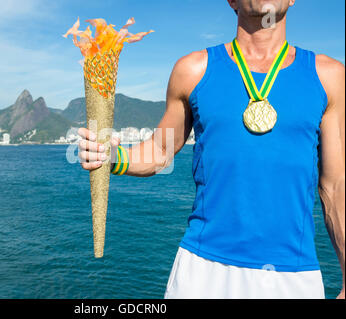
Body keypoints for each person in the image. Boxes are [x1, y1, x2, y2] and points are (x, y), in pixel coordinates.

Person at [77, 0, 345, 299]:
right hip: (203, 271)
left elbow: (335, 187)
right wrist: (113, 156)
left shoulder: (328, 76)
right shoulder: (193, 70)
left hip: (293, 275)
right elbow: (161, 151)